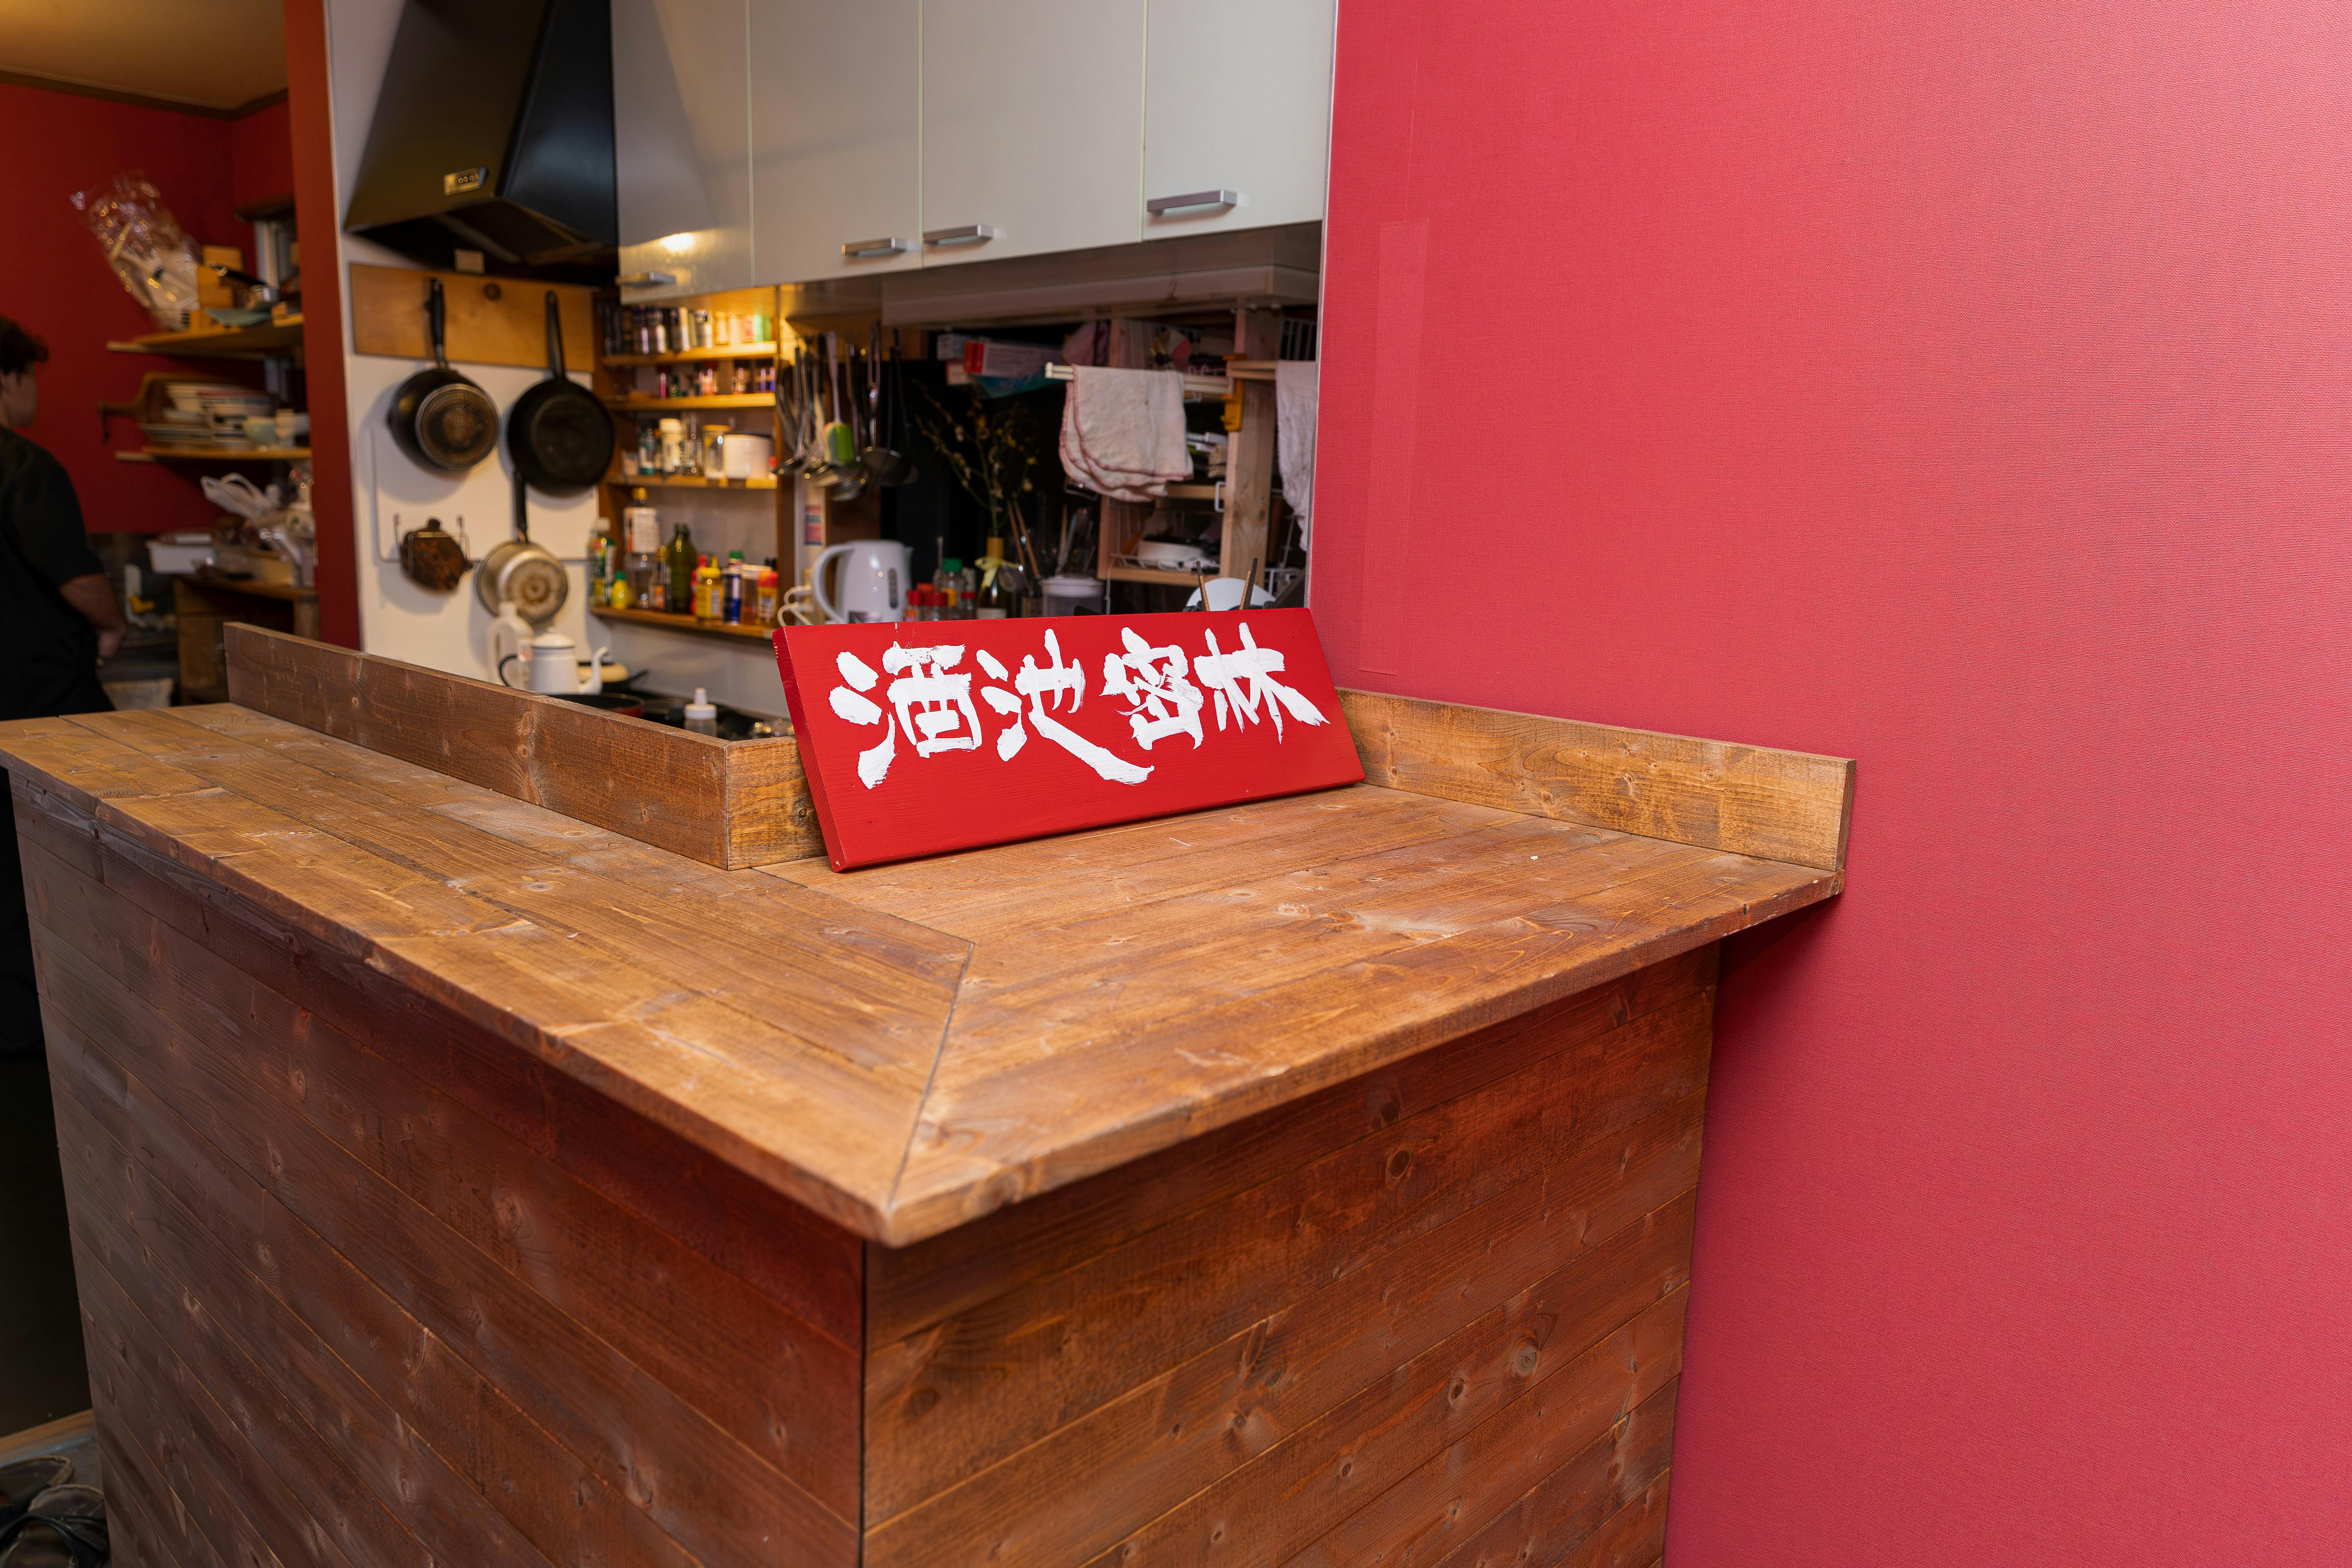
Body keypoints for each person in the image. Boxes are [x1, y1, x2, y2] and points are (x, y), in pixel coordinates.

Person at [0, 315, 119, 1429]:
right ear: (7, 378)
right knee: (52, 876)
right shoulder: (22, 466)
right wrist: (113, 624)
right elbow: (77, 579)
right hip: (41, 711)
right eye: (32, 375)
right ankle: (62, 1031)